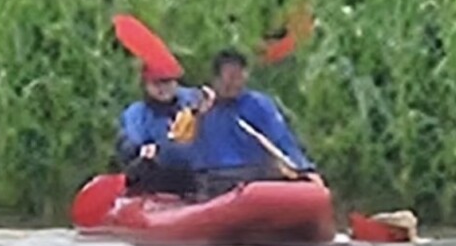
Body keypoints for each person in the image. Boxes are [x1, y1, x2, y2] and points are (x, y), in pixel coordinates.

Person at [193, 48, 318, 196]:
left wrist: (304, 168)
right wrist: (197, 116)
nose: (235, 84)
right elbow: (181, 145)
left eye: (239, 77)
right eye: (230, 78)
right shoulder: (199, 106)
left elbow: (281, 138)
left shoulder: (258, 104)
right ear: (216, 79)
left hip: (253, 176)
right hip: (214, 178)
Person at [115, 53, 214, 196]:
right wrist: (141, 149)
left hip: (196, 172)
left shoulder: (193, 99)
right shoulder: (137, 113)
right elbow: (129, 144)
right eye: (156, 83)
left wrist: (212, 108)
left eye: (167, 82)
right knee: (143, 165)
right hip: (159, 175)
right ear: (146, 85)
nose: (163, 88)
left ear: (176, 82)